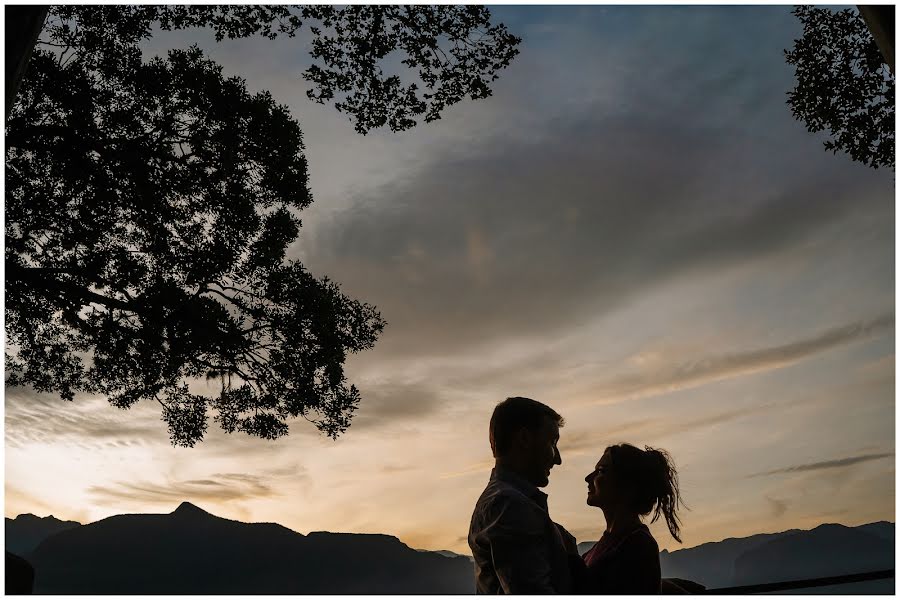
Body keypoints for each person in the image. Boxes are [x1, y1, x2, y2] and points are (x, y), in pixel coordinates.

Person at [468, 397, 579, 594]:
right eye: (552, 443)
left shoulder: (501, 501)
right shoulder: (510, 505)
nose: (558, 459)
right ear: (525, 439)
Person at [574, 443, 685, 595]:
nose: (588, 478)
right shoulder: (609, 544)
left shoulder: (639, 545)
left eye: (601, 471)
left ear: (627, 486)